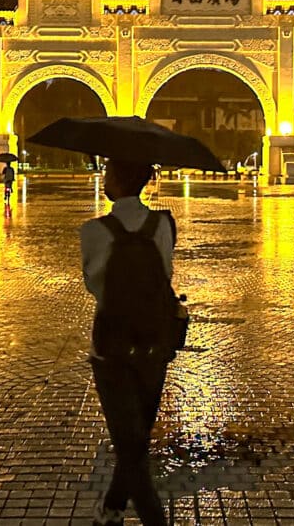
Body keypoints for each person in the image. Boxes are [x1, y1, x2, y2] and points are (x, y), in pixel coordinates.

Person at [80, 159, 179, 526]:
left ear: (116, 180)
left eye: (108, 172)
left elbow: (95, 286)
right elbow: (165, 275)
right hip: (155, 344)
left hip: (111, 347)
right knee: (135, 439)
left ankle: (154, 519)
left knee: (130, 444)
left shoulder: (93, 230)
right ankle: (112, 509)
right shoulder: (164, 225)